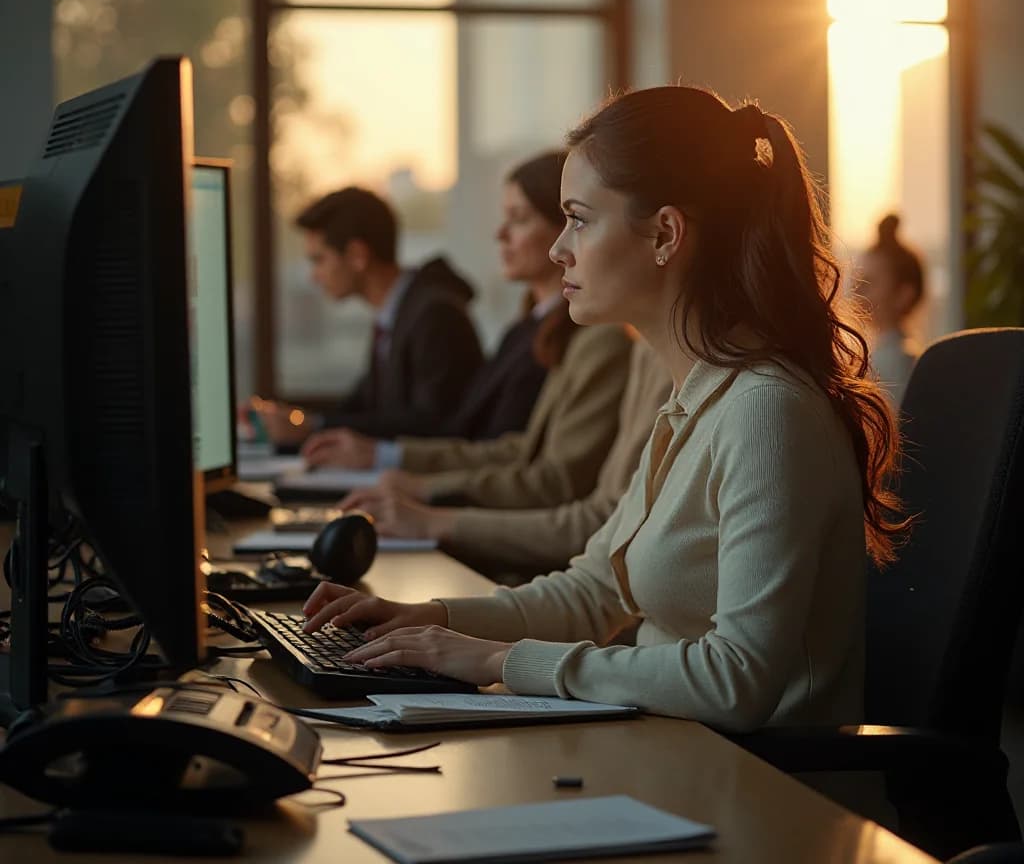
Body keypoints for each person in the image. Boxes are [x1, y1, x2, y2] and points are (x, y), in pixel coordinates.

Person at [301, 85, 907, 732]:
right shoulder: (694, 397)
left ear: (666, 235)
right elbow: (593, 592)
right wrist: (430, 617)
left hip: (768, 796)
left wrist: (501, 660)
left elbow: (738, 681)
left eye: (579, 219)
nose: (560, 247)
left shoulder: (765, 414)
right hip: (678, 756)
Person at [302, 151, 573, 472]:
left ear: (565, 230)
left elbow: (466, 434)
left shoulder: (437, 315)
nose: (500, 234)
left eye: (520, 218)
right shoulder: (524, 329)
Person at [338, 338, 671, 583]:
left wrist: (431, 514)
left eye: (582, 236)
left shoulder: (612, 345)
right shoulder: (641, 348)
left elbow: (587, 514)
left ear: (663, 240)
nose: (560, 252)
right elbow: (525, 451)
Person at [257, 186, 483, 444]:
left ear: (356, 255)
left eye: (319, 260)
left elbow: (432, 424)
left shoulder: (435, 316)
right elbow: (362, 406)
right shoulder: (395, 315)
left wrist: (313, 425)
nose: (314, 276)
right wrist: (297, 420)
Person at [857, 214, 925, 408]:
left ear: (904, 294)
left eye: (869, 283)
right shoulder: (900, 359)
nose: (858, 291)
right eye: (858, 282)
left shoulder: (892, 365)